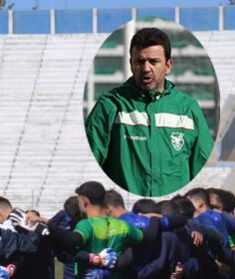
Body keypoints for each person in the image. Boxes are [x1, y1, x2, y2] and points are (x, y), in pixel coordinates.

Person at [85, 27, 213, 196]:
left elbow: (202, 169)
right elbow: (89, 164)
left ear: (168, 66)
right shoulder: (110, 104)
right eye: (140, 61)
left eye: (154, 62)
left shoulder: (188, 108)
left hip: (172, 214)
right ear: (131, 64)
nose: (146, 68)